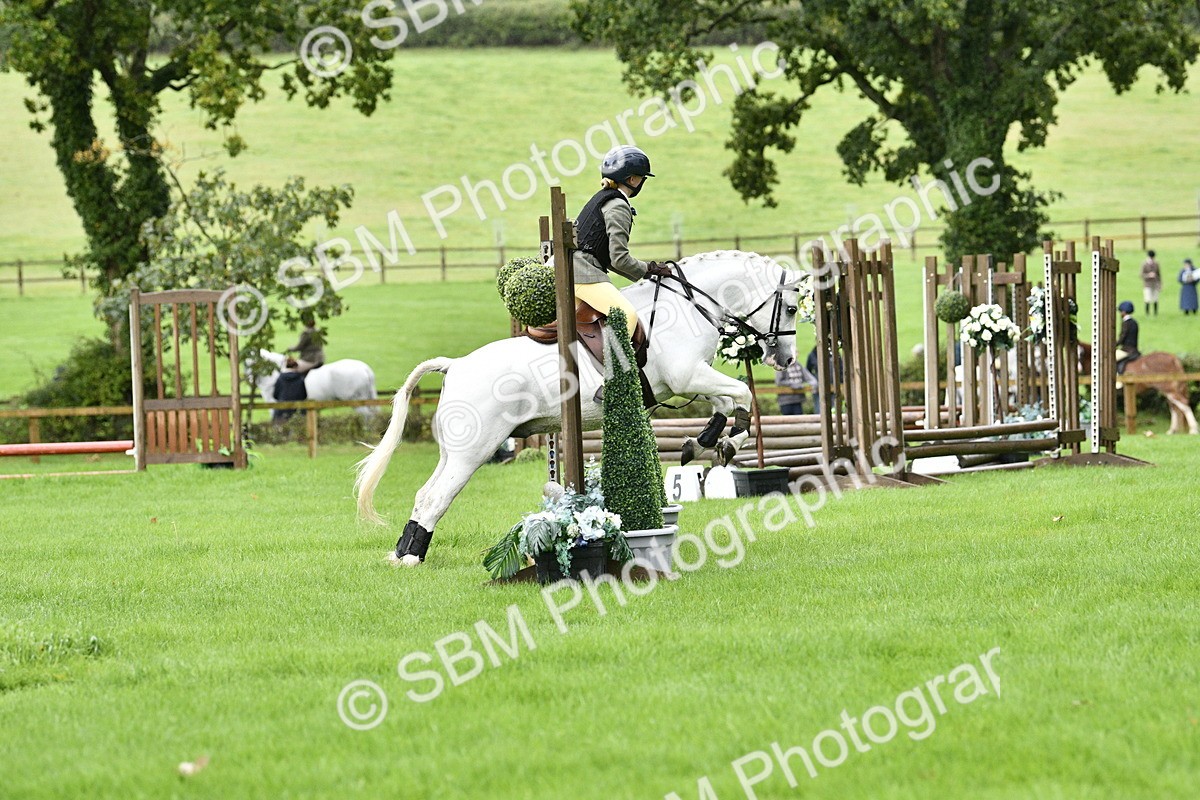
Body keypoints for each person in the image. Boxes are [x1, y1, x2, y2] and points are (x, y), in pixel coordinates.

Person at [572, 145, 672, 337]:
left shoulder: (603, 197)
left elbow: (609, 257)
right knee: (626, 315)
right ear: (633, 179)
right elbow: (619, 259)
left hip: (573, 270)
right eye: (642, 177)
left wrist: (646, 271)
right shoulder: (618, 206)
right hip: (583, 273)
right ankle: (616, 367)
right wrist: (649, 269)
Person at [1115, 300, 1140, 375]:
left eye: (1121, 312)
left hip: (1127, 350)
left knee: (1111, 359)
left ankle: (1118, 379)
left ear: (1124, 312)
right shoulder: (1134, 322)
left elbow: (1123, 336)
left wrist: (1114, 344)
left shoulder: (1126, 323)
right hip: (1134, 349)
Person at [1140, 250, 1162, 316]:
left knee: (1155, 299)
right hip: (1147, 284)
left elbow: (1159, 274)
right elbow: (1141, 274)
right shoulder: (1144, 264)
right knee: (1147, 299)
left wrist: (1160, 284)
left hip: (1155, 284)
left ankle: (1155, 313)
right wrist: (1149, 275)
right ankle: (1147, 313)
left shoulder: (1156, 264)